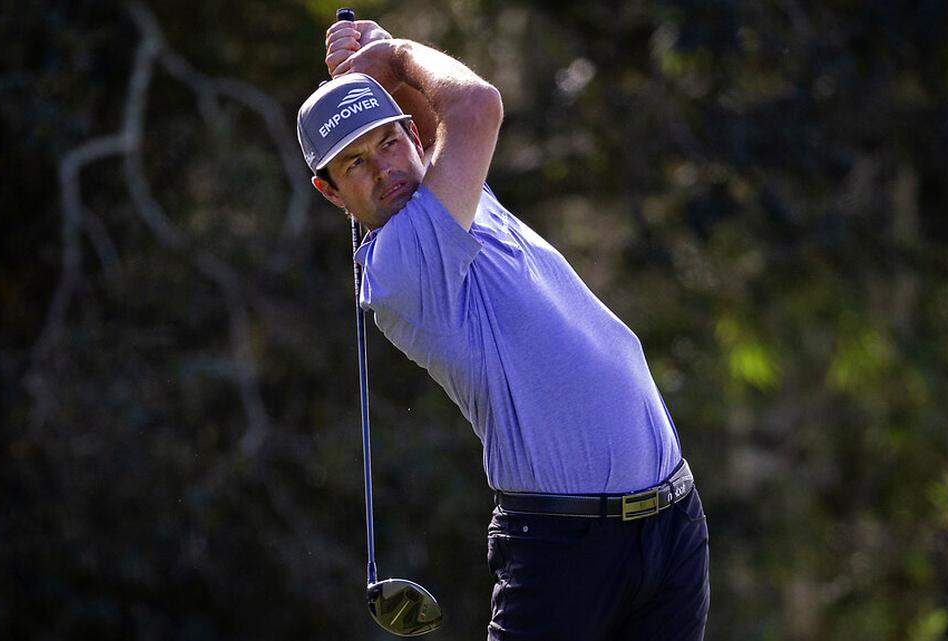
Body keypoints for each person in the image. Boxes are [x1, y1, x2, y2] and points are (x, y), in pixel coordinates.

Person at [296, 18, 710, 641]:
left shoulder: (446, 197)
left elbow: (440, 125)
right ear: (330, 192)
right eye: (355, 163)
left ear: (412, 138)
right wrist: (396, 55)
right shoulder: (401, 266)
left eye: (387, 142)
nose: (384, 169)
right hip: (565, 547)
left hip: (672, 525)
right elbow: (476, 106)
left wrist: (380, 66)